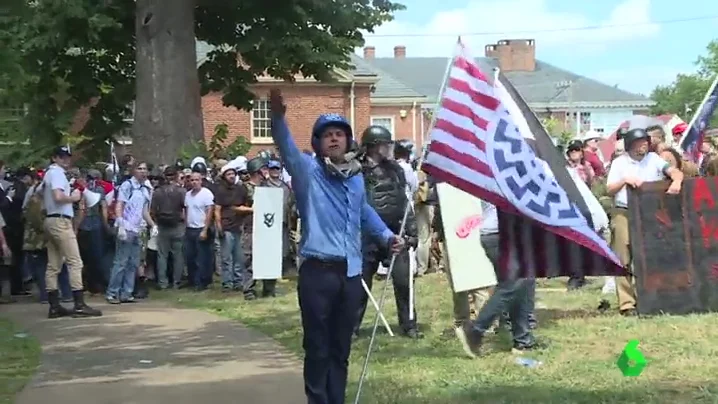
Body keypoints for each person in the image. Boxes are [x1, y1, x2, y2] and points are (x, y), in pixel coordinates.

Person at [269, 89, 404, 404]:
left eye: (339, 134)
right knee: (317, 347)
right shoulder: (306, 171)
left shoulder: (356, 178)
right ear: (317, 143)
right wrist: (277, 118)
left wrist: (387, 236)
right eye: (327, 135)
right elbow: (286, 148)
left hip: (351, 275)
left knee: (341, 348)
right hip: (318, 273)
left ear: (348, 141)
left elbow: (364, 213)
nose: (333, 139)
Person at [606, 128, 683, 316]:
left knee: (651, 254)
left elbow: (674, 171)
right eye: (640, 142)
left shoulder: (654, 159)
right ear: (630, 145)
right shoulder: (619, 163)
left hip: (648, 212)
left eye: (646, 142)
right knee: (623, 257)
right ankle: (627, 303)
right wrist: (625, 180)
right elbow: (609, 189)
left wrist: (676, 181)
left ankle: (653, 297)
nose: (644, 145)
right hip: (624, 211)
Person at [355, 126, 420, 339]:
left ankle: (409, 325)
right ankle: (351, 327)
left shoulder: (396, 170)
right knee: (360, 286)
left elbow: (405, 201)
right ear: (373, 146)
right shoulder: (357, 170)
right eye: (385, 144)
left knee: (404, 282)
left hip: (394, 233)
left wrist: (411, 233)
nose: (389, 148)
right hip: (366, 236)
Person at [42, 146, 102, 318]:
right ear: (55, 158)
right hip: (61, 220)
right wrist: (74, 198)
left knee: (53, 265)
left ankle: (54, 306)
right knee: (75, 262)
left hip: (50, 219)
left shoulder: (48, 173)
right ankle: (79, 304)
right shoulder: (57, 173)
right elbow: (58, 197)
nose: (66, 160)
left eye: (67, 157)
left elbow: (41, 197)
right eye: (62, 157)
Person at [107, 162, 155, 304]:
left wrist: (152, 225)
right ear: (134, 171)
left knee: (133, 263)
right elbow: (120, 204)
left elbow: (144, 210)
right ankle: (112, 292)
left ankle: (126, 292)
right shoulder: (127, 185)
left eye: (145, 169)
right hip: (126, 227)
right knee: (121, 261)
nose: (142, 172)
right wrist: (120, 223)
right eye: (139, 169)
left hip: (138, 228)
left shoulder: (145, 188)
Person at [240, 157, 276, 299]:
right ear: (257, 171)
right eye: (264, 168)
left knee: (268, 258)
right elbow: (235, 207)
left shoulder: (268, 187)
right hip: (251, 228)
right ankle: (249, 289)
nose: (267, 171)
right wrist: (251, 209)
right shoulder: (244, 188)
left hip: (267, 228)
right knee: (250, 259)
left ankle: (269, 288)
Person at [214, 164, 248, 292]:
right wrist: (219, 226)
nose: (231, 176)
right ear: (224, 176)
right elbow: (217, 210)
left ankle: (238, 282)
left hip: (239, 227)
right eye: (228, 174)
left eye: (233, 174)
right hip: (226, 227)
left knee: (239, 257)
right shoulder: (220, 190)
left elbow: (245, 205)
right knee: (226, 258)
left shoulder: (241, 189)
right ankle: (227, 283)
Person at [151, 166, 186, 289]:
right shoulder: (181, 191)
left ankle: (162, 282)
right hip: (178, 225)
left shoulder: (157, 191)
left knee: (162, 255)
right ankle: (176, 282)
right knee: (178, 255)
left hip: (162, 225)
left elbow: (152, 211)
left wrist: (156, 222)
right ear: (176, 175)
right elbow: (185, 208)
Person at [184, 172, 214, 290]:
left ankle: (202, 281)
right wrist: (186, 225)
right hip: (190, 229)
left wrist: (205, 229)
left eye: (197, 180)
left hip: (202, 228)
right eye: (192, 180)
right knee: (190, 257)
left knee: (202, 257)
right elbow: (186, 211)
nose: (194, 182)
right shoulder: (187, 195)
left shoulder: (206, 194)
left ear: (201, 181)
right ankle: (192, 280)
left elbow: (209, 211)